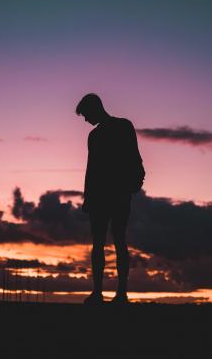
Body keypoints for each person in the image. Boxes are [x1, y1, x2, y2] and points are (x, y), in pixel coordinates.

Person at [76, 93, 145, 304]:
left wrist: (136, 181)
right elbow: (92, 168)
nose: (86, 120)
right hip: (101, 195)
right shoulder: (94, 136)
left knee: (118, 240)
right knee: (101, 243)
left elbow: (134, 156)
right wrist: (88, 196)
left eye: (86, 114)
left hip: (117, 193)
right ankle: (99, 292)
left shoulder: (123, 126)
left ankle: (120, 292)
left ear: (95, 108)